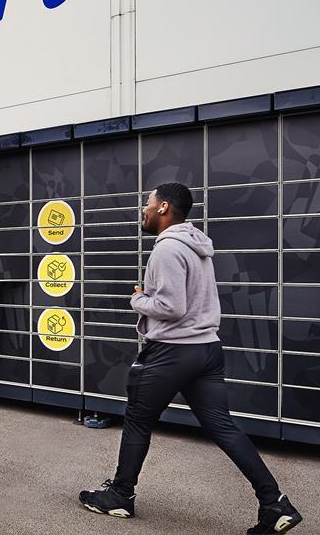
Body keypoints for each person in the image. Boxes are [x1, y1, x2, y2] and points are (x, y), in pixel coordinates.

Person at [79, 183, 302, 534]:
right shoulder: (197, 246)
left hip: (172, 352)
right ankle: (274, 503)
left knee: (138, 420)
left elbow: (170, 307)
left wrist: (138, 299)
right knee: (223, 426)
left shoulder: (167, 250)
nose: (144, 209)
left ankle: (121, 495)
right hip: (206, 350)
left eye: (148, 203)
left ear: (164, 207)